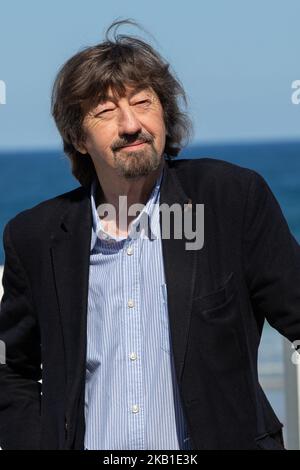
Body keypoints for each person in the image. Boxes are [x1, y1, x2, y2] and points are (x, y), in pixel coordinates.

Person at [0, 19, 299, 450]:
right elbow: (12, 366)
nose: (130, 124)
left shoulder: (231, 200)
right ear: (78, 138)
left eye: (143, 102)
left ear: (164, 113)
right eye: (105, 111)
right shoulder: (34, 235)